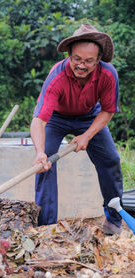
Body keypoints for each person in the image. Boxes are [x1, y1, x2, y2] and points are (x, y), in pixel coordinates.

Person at [30, 24, 123, 235]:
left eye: (89, 61)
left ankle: (113, 220)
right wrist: (40, 152)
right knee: (44, 165)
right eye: (77, 59)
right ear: (69, 55)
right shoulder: (57, 77)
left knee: (111, 160)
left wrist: (87, 135)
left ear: (98, 60)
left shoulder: (108, 75)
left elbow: (108, 111)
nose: (81, 65)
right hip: (56, 118)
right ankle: (46, 228)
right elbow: (39, 120)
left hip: (91, 116)